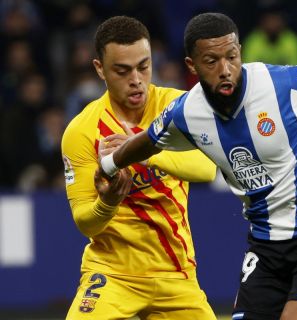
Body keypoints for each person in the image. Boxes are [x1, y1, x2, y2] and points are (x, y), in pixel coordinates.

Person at [99, 13, 297, 320]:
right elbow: (149, 140)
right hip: (267, 249)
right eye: (212, 61)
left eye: (231, 56)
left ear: (240, 51)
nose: (225, 69)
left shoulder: (285, 84)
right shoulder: (186, 113)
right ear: (192, 65)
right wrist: (110, 163)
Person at [61, 16, 217, 320]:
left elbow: (207, 169)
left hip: (176, 273)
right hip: (112, 274)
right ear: (99, 69)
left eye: (144, 66)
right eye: (122, 70)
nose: (136, 79)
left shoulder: (177, 108)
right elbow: (84, 223)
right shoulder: (81, 131)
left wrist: (142, 149)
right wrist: (107, 202)